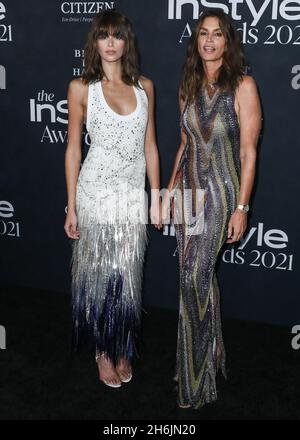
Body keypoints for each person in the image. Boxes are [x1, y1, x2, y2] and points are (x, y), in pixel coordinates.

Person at [163, 9, 261, 409]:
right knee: (192, 278)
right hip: (188, 190)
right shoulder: (188, 85)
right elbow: (185, 145)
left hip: (221, 192)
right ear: (196, 40)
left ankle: (197, 378)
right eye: (203, 33)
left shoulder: (243, 85)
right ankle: (204, 354)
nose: (209, 40)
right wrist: (169, 191)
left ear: (227, 41)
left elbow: (248, 152)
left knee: (195, 276)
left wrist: (242, 208)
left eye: (217, 34)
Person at [64, 10, 160, 388]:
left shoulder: (144, 87)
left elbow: (150, 146)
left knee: (127, 277)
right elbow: (73, 148)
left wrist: (156, 197)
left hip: (132, 197)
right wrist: (71, 205)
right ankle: (103, 352)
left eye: (116, 36)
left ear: (125, 42)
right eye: (103, 35)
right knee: (97, 278)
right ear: (95, 42)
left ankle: (120, 345)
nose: (110, 42)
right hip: (95, 195)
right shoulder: (80, 87)